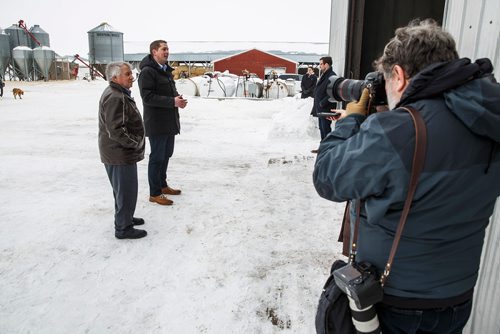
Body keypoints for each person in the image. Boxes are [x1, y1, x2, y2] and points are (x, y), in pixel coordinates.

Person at [313, 19, 500, 334]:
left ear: (398, 75)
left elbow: (328, 178)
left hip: (398, 303)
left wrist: (352, 121)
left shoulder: (397, 131)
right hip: (457, 296)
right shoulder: (489, 118)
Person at [98, 61, 147, 239]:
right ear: (115, 77)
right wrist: (135, 143)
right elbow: (116, 130)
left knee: (124, 190)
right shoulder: (115, 97)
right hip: (119, 153)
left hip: (118, 153)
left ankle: (126, 217)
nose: (131, 77)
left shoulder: (118, 93)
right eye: (127, 74)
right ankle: (123, 228)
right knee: (125, 190)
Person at [138, 40, 188, 206]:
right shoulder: (147, 72)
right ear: (154, 52)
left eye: (168, 49)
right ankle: (155, 193)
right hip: (157, 123)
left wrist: (177, 98)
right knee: (157, 157)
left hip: (169, 122)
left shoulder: (165, 70)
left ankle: (163, 185)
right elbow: (148, 97)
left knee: (166, 155)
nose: (167, 52)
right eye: (163, 49)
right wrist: (172, 102)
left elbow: (168, 92)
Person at [311, 56, 337, 152]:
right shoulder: (324, 75)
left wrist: (322, 103)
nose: (320, 66)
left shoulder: (332, 76)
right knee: (322, 129)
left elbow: (333, 93)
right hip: (320, 108)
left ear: (326, 64)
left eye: (321, 64)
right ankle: (323, 147)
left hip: (326, 108)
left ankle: (328, 148)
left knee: (326, 129)